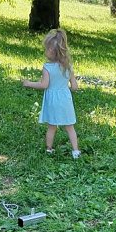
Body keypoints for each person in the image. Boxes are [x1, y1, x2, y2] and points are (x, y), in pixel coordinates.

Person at [21, 29, 80, 158]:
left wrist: (28, 83)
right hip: (65, 100)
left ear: (52, 51)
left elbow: (44, 85)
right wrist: (65, 90)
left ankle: (49, 149)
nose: (45, 51)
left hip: (52, 100)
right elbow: (75, 87)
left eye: (46, 49)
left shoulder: (47, 67)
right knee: (70, 127)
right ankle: (76, 151)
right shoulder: (68, 66)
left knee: (52, 127)